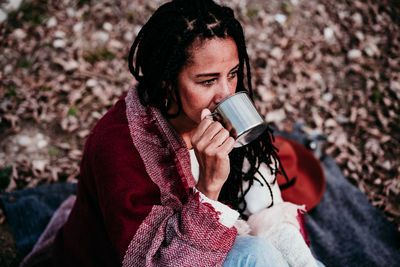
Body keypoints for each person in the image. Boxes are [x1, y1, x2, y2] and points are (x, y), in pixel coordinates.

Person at [48, 0, 324, 266]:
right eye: (207, 81)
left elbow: (262, 201)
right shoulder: (118, 149)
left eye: (233, 73)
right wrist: (209, 189)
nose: (226, 94)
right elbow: (155, 262)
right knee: (257, 254)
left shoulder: (223, 109)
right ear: (167, 83)